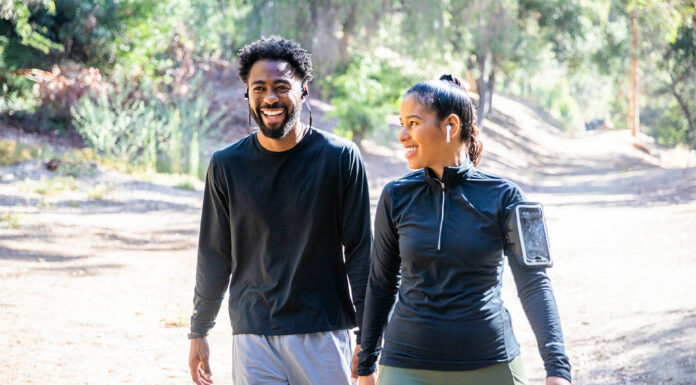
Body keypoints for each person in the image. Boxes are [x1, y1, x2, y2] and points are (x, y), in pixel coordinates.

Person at [357, 75, 572, 385]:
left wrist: (558, 370)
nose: (402, 135)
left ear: (451, 125)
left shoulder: (506, 197)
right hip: (406, 364)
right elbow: (381, 284)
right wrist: (366, 367)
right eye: (402, 124)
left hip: (490, 362)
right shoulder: (396, 196)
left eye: (413, 123)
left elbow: (535, 284)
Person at [187, 36, 372, 385]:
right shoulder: (227, 165)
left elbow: (361, 254)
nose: (270, 97)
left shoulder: (340, 158)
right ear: (248, 94)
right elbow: (214, 255)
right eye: (259, 88)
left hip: (324, 332)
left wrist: (369, 336)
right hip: (253, 335)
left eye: (281, 86)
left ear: (303, 92)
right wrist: (199, 329)